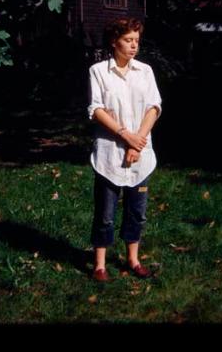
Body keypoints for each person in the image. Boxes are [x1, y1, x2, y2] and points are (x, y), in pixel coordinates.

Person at [87, 17, 162, 282]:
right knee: (105, 214)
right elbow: (96, 109)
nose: (133, 46)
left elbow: (153, 107)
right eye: (128, 40)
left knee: (137, 213)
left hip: (140, 154)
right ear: (114, 41)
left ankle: (133, 259)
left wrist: (137, 142)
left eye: (137, 41)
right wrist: (125, 136)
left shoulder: (145, 71)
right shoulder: (98, 71)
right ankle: (100, 265)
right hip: (110, 155)